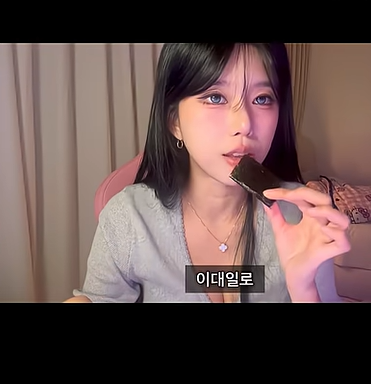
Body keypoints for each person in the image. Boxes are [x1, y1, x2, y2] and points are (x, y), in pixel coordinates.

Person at [65, 43, 350, 303]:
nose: (244, 124)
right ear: (175, 122)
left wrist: (304, 290)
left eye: (262, 99)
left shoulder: (300, 215)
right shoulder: (129, 217)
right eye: (215, 97)